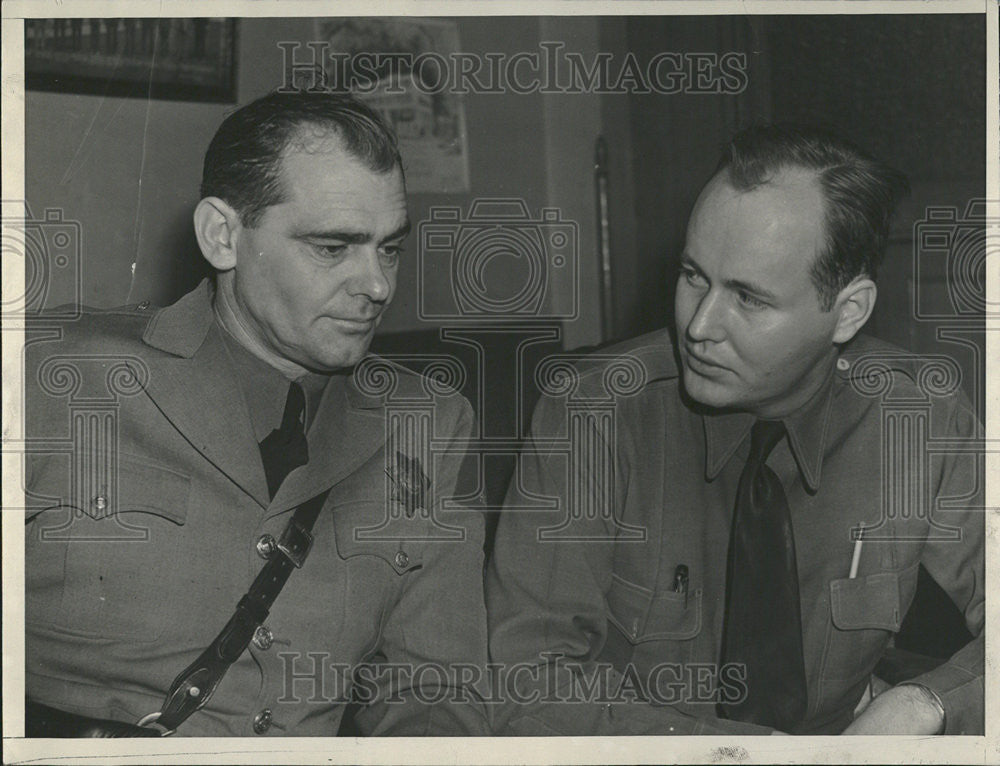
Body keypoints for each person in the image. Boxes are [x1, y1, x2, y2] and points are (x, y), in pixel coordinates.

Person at [487, 125, 983, 735]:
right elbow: (529, 688)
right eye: (694, 275)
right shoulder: (592, 415)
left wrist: (925, 704)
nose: (699, 326)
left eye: (748, 299)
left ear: (848, 311)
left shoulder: (920, 417)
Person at [24, 91, 490, 737]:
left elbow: (434, 692)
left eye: (390, 249)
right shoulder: (52, 376)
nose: (377, 285)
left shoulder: (427, 423)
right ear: (223, 236)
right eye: (333, 247)